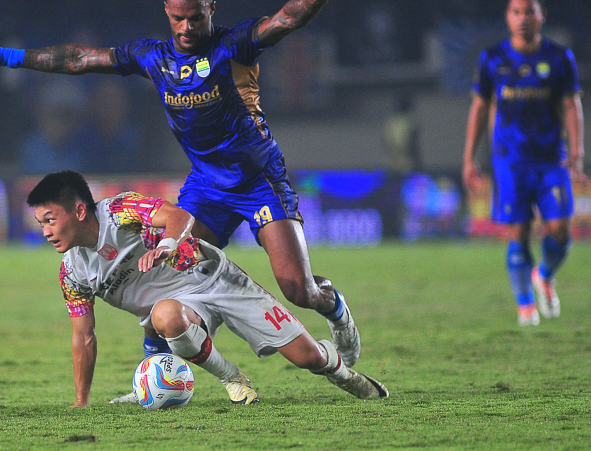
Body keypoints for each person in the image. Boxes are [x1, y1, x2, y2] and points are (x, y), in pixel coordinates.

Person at [0, 0, 361, 382]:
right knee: (163, 261)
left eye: (195, 17)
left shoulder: (234, 46)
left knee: (297, 289)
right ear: (166, 12)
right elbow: (79, 59)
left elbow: (283, 21)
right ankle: (155, 373)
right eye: (177, 18)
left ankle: (335, 310)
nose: (186, 27)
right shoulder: (154, 57)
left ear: (212, 10)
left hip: (259, 180)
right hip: (207, 186)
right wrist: (9, 57)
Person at [26, 170, 388, 407]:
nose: (45, 231)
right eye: (40, 223)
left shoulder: (120, 212)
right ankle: (233, 379)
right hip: (179, 308)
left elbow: (181, 217)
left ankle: (347, 375)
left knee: (308, 359)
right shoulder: (72, 273)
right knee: (164, 315)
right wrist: (81, 401)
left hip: (214, 277)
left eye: (49, 219)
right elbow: (83, 337)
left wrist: (165, 246)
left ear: (78, 211)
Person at [462, 0, 585, 327]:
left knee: (560, 229)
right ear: (507, 17)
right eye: (516, 12)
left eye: (529, 12)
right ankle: (526, 307)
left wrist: (577, 152)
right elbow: (479, 106)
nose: (523, 19)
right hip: (509, 161)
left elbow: (571, 104)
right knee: (518, 232)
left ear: (541, 16)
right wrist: (469, 157)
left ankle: (543, 275)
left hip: (551, 160)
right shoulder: (492, 59)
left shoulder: (560, 58)